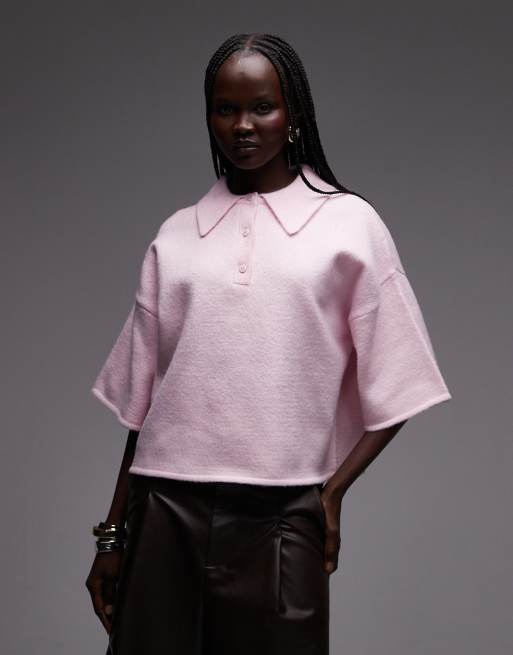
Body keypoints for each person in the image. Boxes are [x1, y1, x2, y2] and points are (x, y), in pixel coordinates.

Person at [85, 33, 452, 655]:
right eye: (225, 109)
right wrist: (113, 534)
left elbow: (405, 378)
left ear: (294, 113)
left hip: (281, 517)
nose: (243, 126)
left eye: (262, 107)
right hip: (163, 511)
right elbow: (144, 409)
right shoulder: (176, 236)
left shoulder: (349, 224)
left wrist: (330, 496)